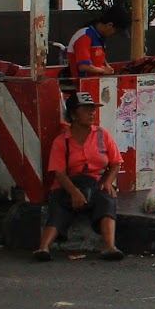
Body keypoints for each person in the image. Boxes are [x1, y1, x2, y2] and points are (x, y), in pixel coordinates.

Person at [33, 90, 124, 261]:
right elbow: (59, 173)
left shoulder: (102, 135)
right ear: (73, 115)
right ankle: (43, 248)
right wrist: (74, 192)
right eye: (86, 110)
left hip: (95, 182)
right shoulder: (62, 141)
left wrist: (108, 182)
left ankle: (109, 246)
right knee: (58, 205)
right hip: (68, 184)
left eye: (93, 110)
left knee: (107, 200)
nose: (92, 113)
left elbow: (115, 162)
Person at [64, 5, 129, 79]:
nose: (114, 35)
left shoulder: (99, 37)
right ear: (109, 25)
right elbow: (83, 66)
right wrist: (103, 71)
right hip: (83, 83)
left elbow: (98, 56)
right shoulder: (85, 36)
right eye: (116, 32)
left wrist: (106, 66)